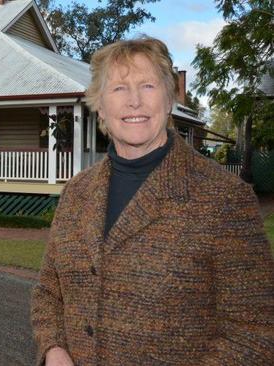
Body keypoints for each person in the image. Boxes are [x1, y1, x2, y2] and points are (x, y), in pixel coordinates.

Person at [31, 36, 274, 365]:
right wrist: (54, 349)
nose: (134, 102)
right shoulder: (76, 193)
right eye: (118, 88)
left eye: (147, 86)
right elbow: (49, 292)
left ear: (169, 96)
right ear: (100, 105)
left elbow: (255, 330)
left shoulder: (224, 197)